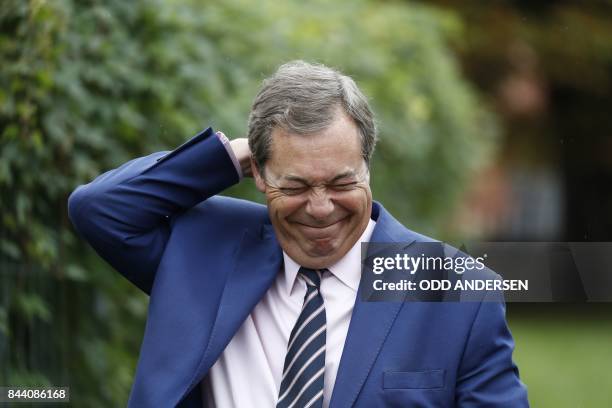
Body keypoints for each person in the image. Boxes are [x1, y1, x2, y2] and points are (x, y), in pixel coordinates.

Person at [68, 61, 529, 407]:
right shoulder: (205, 250)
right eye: (296, 185)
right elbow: (101, 208)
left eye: (342, 182)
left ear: (368, 167)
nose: (322, 207)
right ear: (260, 177)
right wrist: (227, 156)